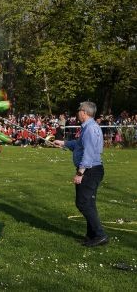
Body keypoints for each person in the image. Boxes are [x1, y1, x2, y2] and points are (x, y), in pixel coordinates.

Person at [54, 101, 108, 247]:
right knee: (89, 203)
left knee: (83, 203)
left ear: (84, 112)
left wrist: (80, 173)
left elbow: (89, 153)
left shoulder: (90, 129)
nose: (77, 112)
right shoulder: (88, 128)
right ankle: (92, 236)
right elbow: (79, 145)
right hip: (92, 169)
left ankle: (100, 235)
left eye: (79, 110)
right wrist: (63, 143)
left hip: (90, 170)